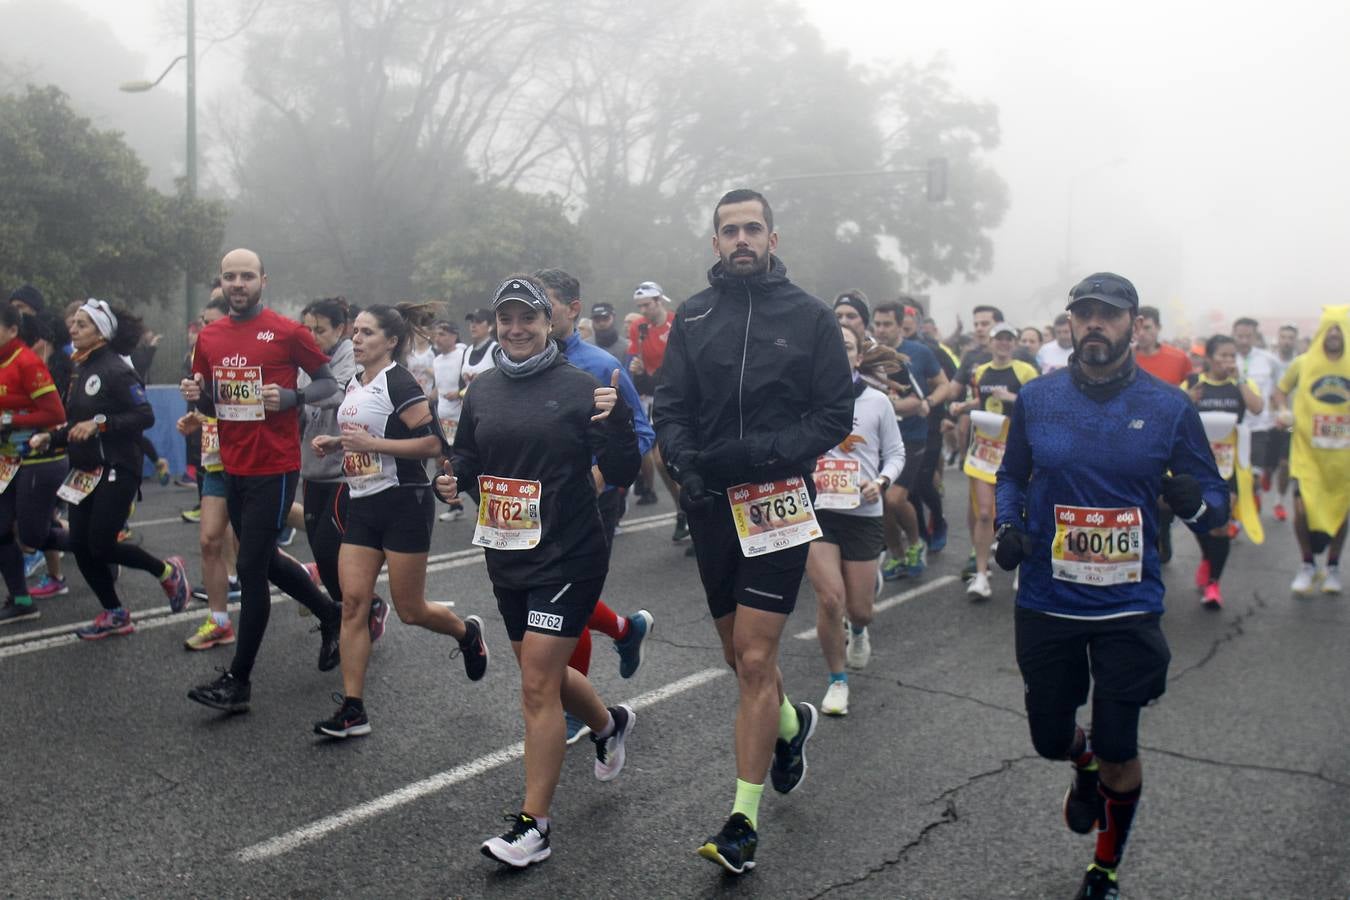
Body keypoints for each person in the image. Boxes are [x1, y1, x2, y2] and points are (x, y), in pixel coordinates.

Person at [994, 272, 1228, 900]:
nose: (1095, 324)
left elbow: (1216, 500)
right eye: (1084, 314)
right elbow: (1011, 476)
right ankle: (1080, 762)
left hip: (1128, 602)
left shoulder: (1169, 406)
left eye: (1109, 314)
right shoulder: (1039, 400)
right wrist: (1008, 526)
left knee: (1122, 744)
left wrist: (1196, 505)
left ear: (1132, 325)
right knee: (1048, 737)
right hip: (1049, 597)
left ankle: (1105, 867)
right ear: (1070, 323)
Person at [653, 188, 853, 875]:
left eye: (753, 228)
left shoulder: (809, 317)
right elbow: (671, 404)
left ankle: (742, 820)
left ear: (772, 236)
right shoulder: (693, 314)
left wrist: (762, 453)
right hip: (709, 500)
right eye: (729, 229)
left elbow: (832, 415)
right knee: (738, 661)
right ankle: (791, 727)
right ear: (714, 242)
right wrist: (683, 464)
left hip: (776, 499)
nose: (741, 238)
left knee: (757, 657)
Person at [436, 275, 640, 868]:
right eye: (507, 319)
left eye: (529, 318)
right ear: (497, 324)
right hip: (507, 550)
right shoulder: (484, 390)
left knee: (535, 685)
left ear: (550, 323)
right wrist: (451, 480)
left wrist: (617, 420)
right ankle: (608, 724)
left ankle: (536, 827)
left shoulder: (584, 386)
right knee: (538, 671)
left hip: (570, 553)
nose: (517, 329)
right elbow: (469, 458)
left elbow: (624, 464)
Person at [312, 303, 489, 738]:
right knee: (353, 603)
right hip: (362, 503)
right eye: (355, 332)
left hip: (404, 503)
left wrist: (373, 442)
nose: (356, 339)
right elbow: (369, 441)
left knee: (410, 610)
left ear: (391, 341)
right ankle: (354, 709)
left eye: (367, 333)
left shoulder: (399, 381)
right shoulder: (356, 381)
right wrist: (339, 442)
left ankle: (466, 632)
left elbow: (433, 444)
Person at [181, 248, 345, 713]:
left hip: (274, 466)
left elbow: (328, 384)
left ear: (262, 281)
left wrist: (291, 396)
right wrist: (199, 396)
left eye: (247, 276)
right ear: (221, 281)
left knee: (250, 568)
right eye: (230, 276)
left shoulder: (288, 332)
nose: (238, 283)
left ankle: (239, 681)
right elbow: (216, 405)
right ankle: (331, 613)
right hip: (231, 465)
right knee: (264, 560)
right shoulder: (209, 337)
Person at [536, 267, 657, 742]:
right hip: (539, 501)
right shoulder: (521, 362)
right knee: (555, 594)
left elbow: (642, 431)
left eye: (545, 305)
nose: (535, 316)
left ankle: (574, 703)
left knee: (567, 599)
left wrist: (601, 476)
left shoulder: (599, 364)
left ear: (571, 309)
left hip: (593, 501)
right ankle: (626, 631)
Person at [32, 300, 192, 637]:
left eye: (82, 324)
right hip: (83, 471)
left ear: (102, 333)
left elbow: (144, 415)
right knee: (80, 544)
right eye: (73, 323)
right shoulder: (81, 369)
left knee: (102, 545)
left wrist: (100, 424)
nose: (73, 329)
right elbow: (78, 424)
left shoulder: (117, 370)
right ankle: (115, 613)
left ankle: (166, 570)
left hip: (117, 468)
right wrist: (50, 438)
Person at [807, 328, 904, 716]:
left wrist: (879, 482)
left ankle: (860, 630)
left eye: (845, 347)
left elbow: (896, 454)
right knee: (830, 599)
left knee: (859, 610)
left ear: (858, 358)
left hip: (863, 514)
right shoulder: (805, 398)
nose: (836, 352)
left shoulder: (877, 402)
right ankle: (837, 681)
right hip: (819, 511)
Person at [951, 321, 1038, 599]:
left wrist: (1012, 397)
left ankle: (1022, 570)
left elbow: (1036, 405)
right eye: (998, 339)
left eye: (1007, 339)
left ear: (1014, 344)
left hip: (1015, 450)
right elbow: (982, 402)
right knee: (985, 513)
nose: (1003, 343)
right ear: (990, 343)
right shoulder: (981, 372)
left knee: (1021, 511)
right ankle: (981, 575)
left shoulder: (1025, 371)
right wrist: (962, 407)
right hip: (984, 450)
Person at [176, 295, 241, 649]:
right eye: (202, 322)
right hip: (216, 457)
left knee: (256, 543)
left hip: (252, 457)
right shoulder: (201, 354)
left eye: (211, 323)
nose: (204, 329)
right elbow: (212, 403)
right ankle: (219, 622)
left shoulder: (247, 348)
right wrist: (197, 415)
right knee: (209, 540)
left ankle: (316, 559)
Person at [1272, 305, 1349, 595]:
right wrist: (1282, 409)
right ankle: (1307, 564)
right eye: (1329, 328)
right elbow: (1280, 389)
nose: (1333, 334)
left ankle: (1332, 567)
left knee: (1341, 512)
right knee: (1302, 511)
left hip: (1343, 457)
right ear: (1320, 332)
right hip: (1308, 452)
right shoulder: (1303, 363)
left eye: (1339, 328)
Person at [0, 304, 69, 624]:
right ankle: (21, 599)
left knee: (32, 535)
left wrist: (10, 419)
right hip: (7, 461)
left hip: (37, 461)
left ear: (13, 330)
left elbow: (56, 415)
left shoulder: (25, 361)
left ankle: (98, 549)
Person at [1185, 335, 1264, 607]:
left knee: (1221, 523)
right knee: (1196, 518)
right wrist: (1187, 398)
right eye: (1223, 355)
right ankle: (1207, 556)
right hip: (1197, 462)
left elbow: (1257, 407)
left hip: (1230, 466)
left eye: (1233, 356)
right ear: (1209, 357)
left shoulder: (1240, 384)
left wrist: (1240, 380)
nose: (1229, 361)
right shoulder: (1194, 383)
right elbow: (1174, 412)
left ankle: (1214, 584)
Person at [1232, 317, 1280, 513]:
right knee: (1236, 475)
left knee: (1254, 476)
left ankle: (1256, 492)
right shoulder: (1227, 358)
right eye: (1240, 336)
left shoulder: (1269, 359)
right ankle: (1237, 517)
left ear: (1255, 336)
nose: (1243, 340)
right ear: (1234, 335)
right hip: (1234, 427)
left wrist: (1280, 411)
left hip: (1260, 425)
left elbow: (1278, 389)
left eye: (1248, 336)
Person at [430, 319, 468, 522]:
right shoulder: (436, 361)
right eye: (436, 335)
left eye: (442, 334)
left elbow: (472, 382)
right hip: (442, 419)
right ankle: (455, 506)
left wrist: (460, 393)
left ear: (454, 336)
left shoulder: (462, 355)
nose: (438, 339)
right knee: (443, 464)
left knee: (462, 465)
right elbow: (439, 388)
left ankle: (482, 505)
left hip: (461, 418)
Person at [1268, 324, 1299, 521]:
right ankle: (1265, 473)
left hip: (1291, 420)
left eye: (1290, 337)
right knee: (1267, 464)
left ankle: (1279, 501)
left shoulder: (1301, 362)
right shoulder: (1268, 362)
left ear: (1295, 340)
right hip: (1268, 421)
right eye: (1283, 337)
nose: (1286, 341)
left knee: (1285, 464)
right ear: (1278, 339)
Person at [1132, 306, 1191, 386]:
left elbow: (1190, 387)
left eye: (1147, 328)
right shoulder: (1124, 359)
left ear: (1158, 327)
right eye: (1137, 327)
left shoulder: (1179, 358)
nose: (1141, 333)